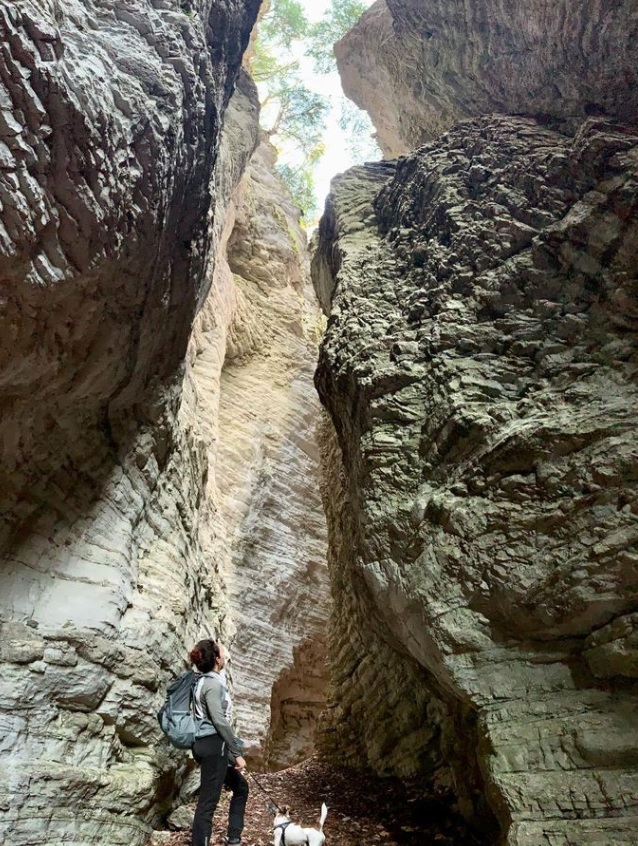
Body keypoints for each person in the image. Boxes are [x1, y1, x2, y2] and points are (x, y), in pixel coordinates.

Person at [189, 639, 248, 846]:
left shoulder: (202, 681)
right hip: (214, 745)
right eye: (222, 652)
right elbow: (219, 720)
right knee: (207, 805)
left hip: (206, 744)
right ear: (216, 659)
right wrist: (236, 752)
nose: (225, 655)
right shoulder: (212, 684)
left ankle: (233, 838)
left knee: (240, 787)